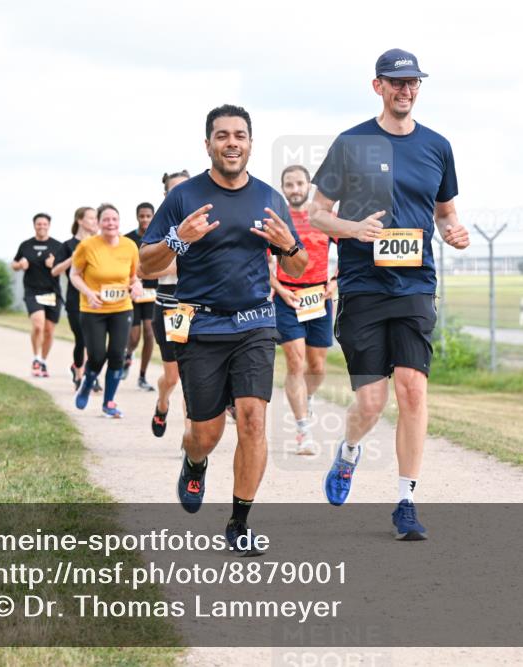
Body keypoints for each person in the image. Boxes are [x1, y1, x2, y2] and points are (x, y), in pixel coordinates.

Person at [309, 49, 470, 541]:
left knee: (413, 389)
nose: (406, 90)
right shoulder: (351, 143)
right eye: (396, 82)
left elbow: (444, 212)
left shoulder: (437, 146)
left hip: (416, 283)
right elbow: (317, 213)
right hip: (363, 285)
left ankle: (406, 501)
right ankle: (349, 453)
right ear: (377, 86)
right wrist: (353, 229)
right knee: (372, 402)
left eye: (413, 82)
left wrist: (452, 230)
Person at [140, 104, 307, 554]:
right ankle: (194, 463)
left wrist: (287, 244)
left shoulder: (271, 198)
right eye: (222, 135)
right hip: (201, 324)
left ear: (251, 143)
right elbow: (145, 262)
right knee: (206, 433)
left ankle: (240, 521)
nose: (231, 142)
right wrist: (179, 239)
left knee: (253, 420)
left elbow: (299, 263)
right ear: (208, 144)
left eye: (239, 135)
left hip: (255, 322)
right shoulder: (183, 197)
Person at [270, 165, 337, 455]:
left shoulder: (324, 217)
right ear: (283, 188)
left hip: (319, 297)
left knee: (317, 367)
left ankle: (306, 400)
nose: (294, 189)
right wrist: (280, 289)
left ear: (309, 185)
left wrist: (336, 281)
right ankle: (302, 430)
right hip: (288, 298)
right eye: (289, 185)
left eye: (299, 184)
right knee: (295, 364)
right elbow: (261, 262)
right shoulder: (277, 219)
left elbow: (350, 251)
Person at [70, 203, 142, 418]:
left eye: (114, 219)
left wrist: (136, 285)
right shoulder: (87, 246)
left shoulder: (129, 246)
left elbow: (133, 276)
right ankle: (87, 384)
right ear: (99, 223)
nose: (111, 223)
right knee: (97, 356)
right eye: (106, 220)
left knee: (117, 355)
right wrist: (89, 293)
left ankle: (109, 401)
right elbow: (74, 274)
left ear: (119, 222)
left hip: (122, 308)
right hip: (93, 309)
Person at [146, 170, 190, 438]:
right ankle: (162, 403)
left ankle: (190, 437)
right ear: (166, 195)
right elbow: (145, 270)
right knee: (173, 378)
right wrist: (170, 264)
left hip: (197, 307)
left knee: (193, 379)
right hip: (170, 307)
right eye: (175, 191)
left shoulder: (206, 222)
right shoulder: (160, 226)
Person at [52, 206, 100, 391]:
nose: (94, 222)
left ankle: (91, 375)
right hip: (75, 299)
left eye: (96, 218)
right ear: (80, 220)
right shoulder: (68, 245)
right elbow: (55, 270)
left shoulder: (98, 244)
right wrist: (73, 259)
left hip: (95, 299)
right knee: (82, 339)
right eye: (91, 218)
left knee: (94, 341)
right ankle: (79, 373)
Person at [12, 213, 64, 377]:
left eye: (44, 224)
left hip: (52, 292)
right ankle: (35, 357)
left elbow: (67, 268)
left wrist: (54, 264)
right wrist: (20, 265)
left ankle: (43, 361)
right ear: (34, 225)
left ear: (49, 225)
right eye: (38, 224)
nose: (41, 227)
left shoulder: (58, 246)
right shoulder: (26, 245)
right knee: (38, 325)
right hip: (32, 291)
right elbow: (14, 263)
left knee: (49, 330)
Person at [123, 202, 159, 391]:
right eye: (142, 216)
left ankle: (142, 376)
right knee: (135, 336)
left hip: (153, 293)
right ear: (137, 217)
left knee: (149, 332)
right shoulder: (128, 239)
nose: (145, 219)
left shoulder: (158, 236)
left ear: (153, 217)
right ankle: (128, 354)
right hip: (133, 293)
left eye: (148, 216)